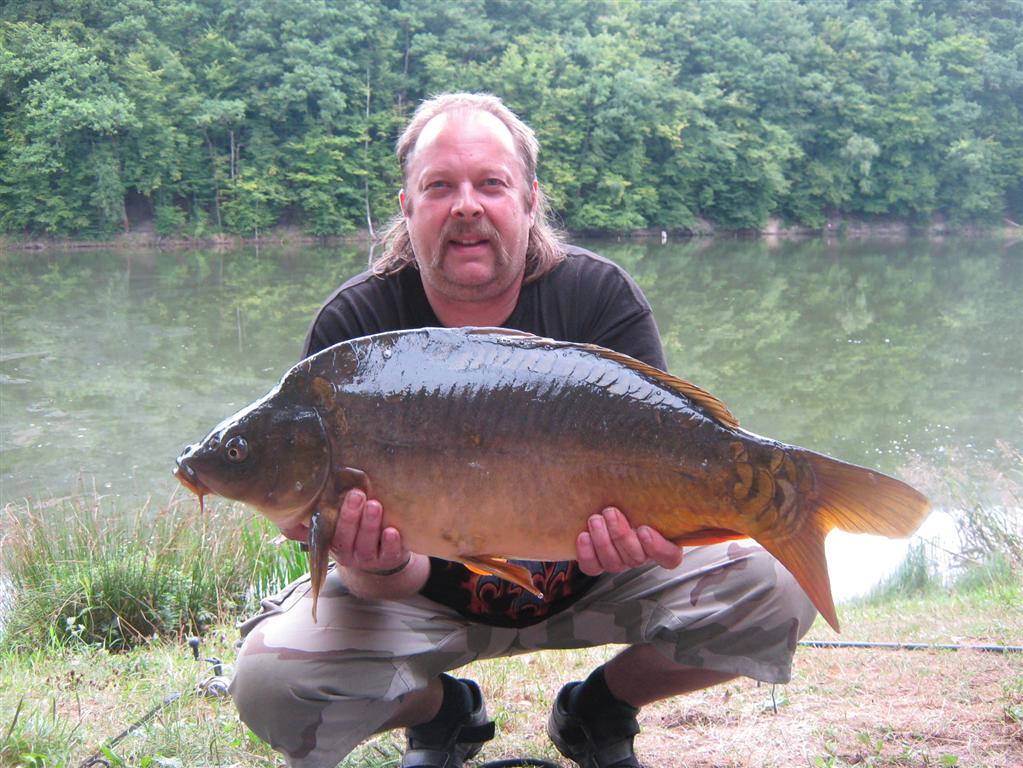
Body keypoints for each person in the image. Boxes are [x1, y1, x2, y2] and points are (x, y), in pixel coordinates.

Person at [229, 93, 817, 768]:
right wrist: (378, 562)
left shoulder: (600, 299)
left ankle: (600, 708)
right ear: (407, 207)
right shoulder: (353, 336)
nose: (466, 206)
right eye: (439, 187)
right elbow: (384, 581)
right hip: (424, 602)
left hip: (593, 580)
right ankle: (441, 713)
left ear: (530, 199)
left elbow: (666, 465)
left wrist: (636, 538)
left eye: (490, 184)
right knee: (271, 684)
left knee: (777, 586)